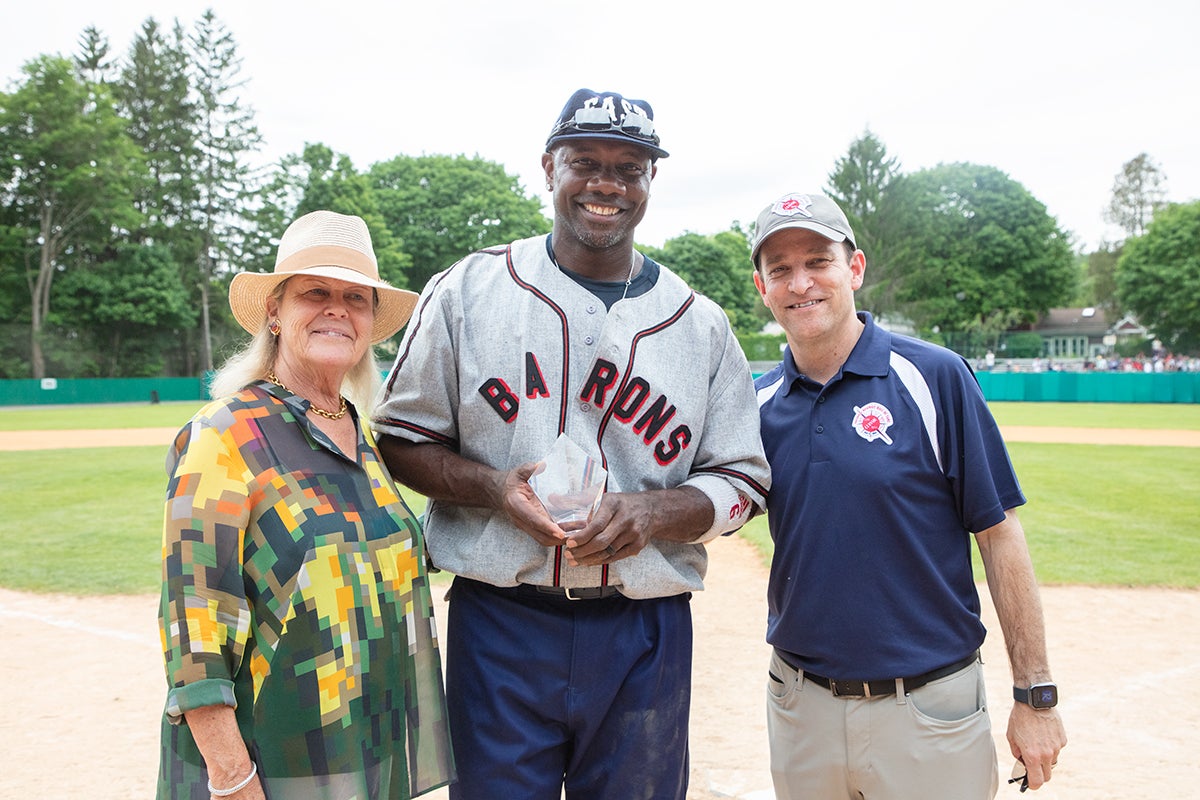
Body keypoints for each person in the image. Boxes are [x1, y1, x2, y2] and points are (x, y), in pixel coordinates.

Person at [372, 88, 770, 799]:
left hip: (643, 632)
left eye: (630, 167)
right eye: (585, 161)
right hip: (500, 624)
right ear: (549, 168)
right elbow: (401, 440)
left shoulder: (699, 324)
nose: (607, 183)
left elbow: (743, 482)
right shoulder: (467, 291)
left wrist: (652, 513)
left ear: (651, 182)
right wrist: (495, 490)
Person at [749, 192, 1067, 799]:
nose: (801, 282)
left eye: (818, 260)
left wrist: (1036, 697)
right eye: (781, 269)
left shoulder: (934, 376)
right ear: (762, 287)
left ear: (856, 268)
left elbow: (1000, 536)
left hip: (928, 711)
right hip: (800, 709)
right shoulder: (757, 405)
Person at [157, 210, 455, 800]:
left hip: (367, 750)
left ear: (371, 322)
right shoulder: (225, 435)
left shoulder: (361, 434)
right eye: (314, 292)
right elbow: (194, 627)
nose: (336, 309)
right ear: (275, 311)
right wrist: (232, 778)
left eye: (355, 298)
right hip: (276, 763)